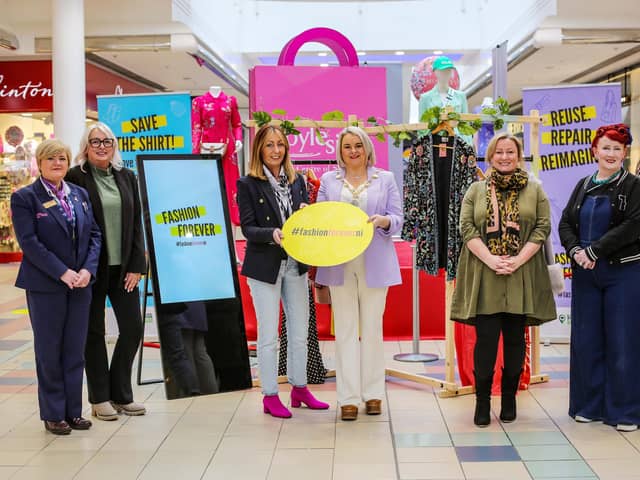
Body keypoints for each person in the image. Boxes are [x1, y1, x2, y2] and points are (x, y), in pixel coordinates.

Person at [450, 132, 556, 427]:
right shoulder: (475, 189)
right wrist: (492, 259)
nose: (505, 157)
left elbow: (543, 227)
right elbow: (467, 227)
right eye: (500, 152)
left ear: (518, 156)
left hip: (521, 275)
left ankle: (509, 397)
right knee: (485, 341)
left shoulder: (535, 190)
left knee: (514, 340)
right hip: (485, 274)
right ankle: (482, 401)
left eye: (511, 152)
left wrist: (517, 261)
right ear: (490, 156)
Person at [237, 124, 329, 418]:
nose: (276, 150)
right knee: (268, 335)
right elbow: (248, 227)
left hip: (295, 264)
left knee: (299, 331)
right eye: (269, 145)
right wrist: (272, 233)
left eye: (280, 145)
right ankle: (270, 394)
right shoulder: (248, 184)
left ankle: (300, 388)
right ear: (259, 150)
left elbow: (302, 220)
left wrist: (304, 215)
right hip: (264, 266)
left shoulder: (297, 180)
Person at [11, 139, 101, 434]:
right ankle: (53, 413)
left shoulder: (80, 194)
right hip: (45, 286)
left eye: (62, 158)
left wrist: (87, 269)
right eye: (51, 159)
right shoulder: (25, 198)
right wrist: (63, 272)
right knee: (50, 349)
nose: (58, 163)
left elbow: (95, 235)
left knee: (75, 349)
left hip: (81, 285)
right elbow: (30, 243)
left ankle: (73, 411)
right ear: (40, 163)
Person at [315, 126, 403, 421]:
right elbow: (320, 218)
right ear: (340, 152)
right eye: (347, 146)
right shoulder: (329, 180)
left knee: (373, 331)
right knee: (346, 332)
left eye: (358, 145)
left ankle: (374, 394)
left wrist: (383, 221)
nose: (353, 151)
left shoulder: (386, 179)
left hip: (375, 262)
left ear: (367, 149)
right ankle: (348, 398)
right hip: (340, 263)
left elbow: (398, 220)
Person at [558, 123, 640, 432]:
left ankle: (626, 411)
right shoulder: (582, 184)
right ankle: (588, 406)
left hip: (624, 273)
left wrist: (594, 252)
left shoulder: (634, 186)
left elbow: (633, 225)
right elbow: (566, 222)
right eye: (605, 147)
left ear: (624, 153)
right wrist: (576, 249)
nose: (610, 153)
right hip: (585, 275)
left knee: (623, 341)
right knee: (587, 340)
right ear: (594, 150)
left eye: (617, 148)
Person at [66, 122, 147, 421]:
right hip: (91, 269)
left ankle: (121, 393)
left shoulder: (127, 176)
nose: (102, 146)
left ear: (114, 145)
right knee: (93, 332)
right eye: (95, 141)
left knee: (132, 328)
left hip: (124, 268)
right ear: (85, 147)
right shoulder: (76, 177)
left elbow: (137, 223)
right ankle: (100, 398)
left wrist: (138, 265)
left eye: (107, 141)